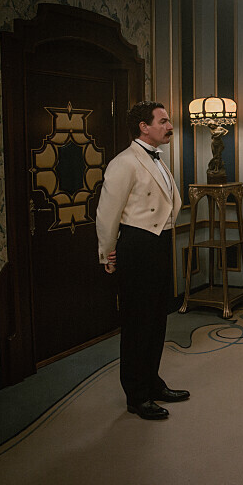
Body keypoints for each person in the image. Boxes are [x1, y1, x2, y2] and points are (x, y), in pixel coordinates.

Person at [96, 101, 189, 420]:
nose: (169, 126)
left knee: (157, 318)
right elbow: (107, 213)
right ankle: (136, 395)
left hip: (159, 243)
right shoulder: (123, 162)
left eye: (168, 121)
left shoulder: (156, 158)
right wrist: (107, 251)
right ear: (143, 127)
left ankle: (152, 382)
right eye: (163, 121)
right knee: (138, 323)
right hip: (136, 245)